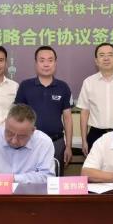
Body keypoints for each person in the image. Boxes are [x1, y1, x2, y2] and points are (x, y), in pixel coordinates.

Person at [14, 46, 73, 175]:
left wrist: (68, 146)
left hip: (56, 143)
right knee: (29, 180)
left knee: (55, 180)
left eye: (50, 60)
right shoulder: (25, 86)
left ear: (55, 63)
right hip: (30, 142)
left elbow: (68, 118)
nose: (46, 64)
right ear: (36, 63)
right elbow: (17, 116)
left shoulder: (63, 87)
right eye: (42, 60)